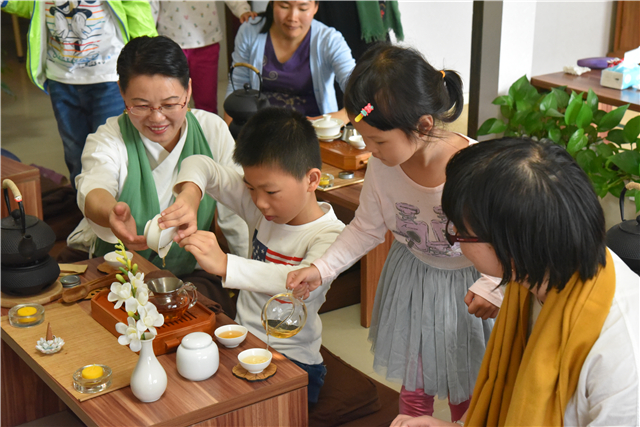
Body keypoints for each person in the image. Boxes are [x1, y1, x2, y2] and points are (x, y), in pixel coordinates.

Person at [286, 44, 503, 421]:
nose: (369, 151)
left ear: (423, 125)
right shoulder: (385, 167)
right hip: (412, 281)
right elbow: (366, 228)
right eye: (364, 138)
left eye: (378, 141)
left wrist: (491, 285)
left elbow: (507, 242)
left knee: (466, 390)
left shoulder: (474, 170)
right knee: (415, 386)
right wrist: (322, 269)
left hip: (469, 291)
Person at [391, 137, 640, 427]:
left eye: (459, 232)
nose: (455, 241)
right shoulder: (537, 273)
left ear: (510, 246)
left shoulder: (620, 355)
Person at [159, 107, 346, 405]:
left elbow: (302, 282)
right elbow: (200, 164)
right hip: (240, 341)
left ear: (312, 180)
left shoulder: (331, 235)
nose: (259, 202)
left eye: (271, 192)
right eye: (250, 188)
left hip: (295, 361)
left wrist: (224, 265)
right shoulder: (259, 203)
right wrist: (190, 197)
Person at [66, 36, 249, 316]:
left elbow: (237, 215)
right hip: (117, 274)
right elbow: (93, 187)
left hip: (187, 277)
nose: (157, 118)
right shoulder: (110, 138)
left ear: (188, 89)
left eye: (170, 104)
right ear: (122, 94)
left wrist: (246, 278)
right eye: (140, 105)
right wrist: (111, 214)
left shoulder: (212, 131)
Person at [0, 1, 157, 189]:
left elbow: (135, 8)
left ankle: (116, 205)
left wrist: (150, 58)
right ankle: (83, 206)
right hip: (61, 78)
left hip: (108, 77)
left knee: (111, 149)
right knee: (75, 153)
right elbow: (31, 4)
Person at [223, 1, 355, 126]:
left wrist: (342, 116)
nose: (292, 17)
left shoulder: (330, 40)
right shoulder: (249, 31)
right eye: (284, 6)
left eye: (303, 8)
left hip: (313, 134)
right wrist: (231, 141)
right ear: (272, 2)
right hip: (261, 133)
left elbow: (358, 87)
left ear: (315, 7)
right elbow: (236, 88)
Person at [154, 1, 257, 114]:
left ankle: (206, 131)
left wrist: (243, 10)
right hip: (169, 43)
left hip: (206, 42)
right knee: (171, 101)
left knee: (206, 103)